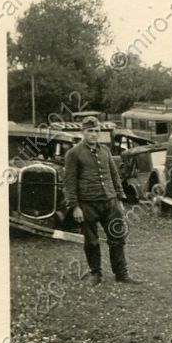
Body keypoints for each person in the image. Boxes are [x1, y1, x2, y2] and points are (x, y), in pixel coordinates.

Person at [64, 116, 141, 285]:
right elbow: (69, 182)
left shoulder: (105, 151)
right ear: (83, 132)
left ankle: (121, 274)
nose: (93, 134)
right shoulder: (74, 153)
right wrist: (75, 207)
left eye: (96, 131)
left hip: (110, 202)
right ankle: (96, 274)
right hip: (87, 203)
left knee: (117, 237)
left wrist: (119, 198)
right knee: (91, 241)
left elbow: (114, 175)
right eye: (89, 131)